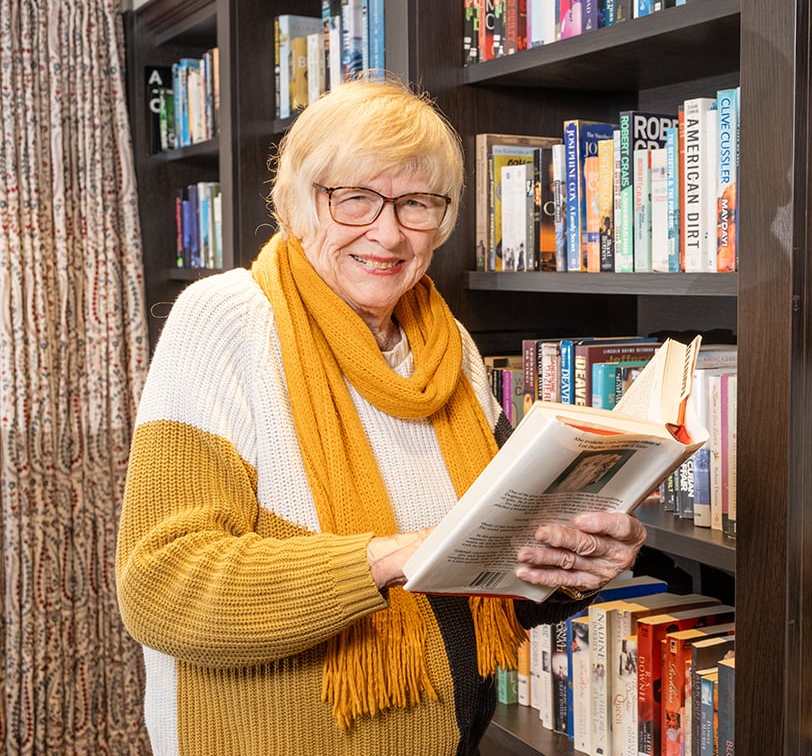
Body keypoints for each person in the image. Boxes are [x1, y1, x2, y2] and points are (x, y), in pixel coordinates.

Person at [115, 78, 647, 755]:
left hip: (451, 735)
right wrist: (390, 556)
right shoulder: (226, 319)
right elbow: (162, 586)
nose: (388, 232)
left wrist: (576, 565)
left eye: (416, 203)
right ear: (300, 203)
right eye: (355, 198)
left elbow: (491, 555)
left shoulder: (446, 341)